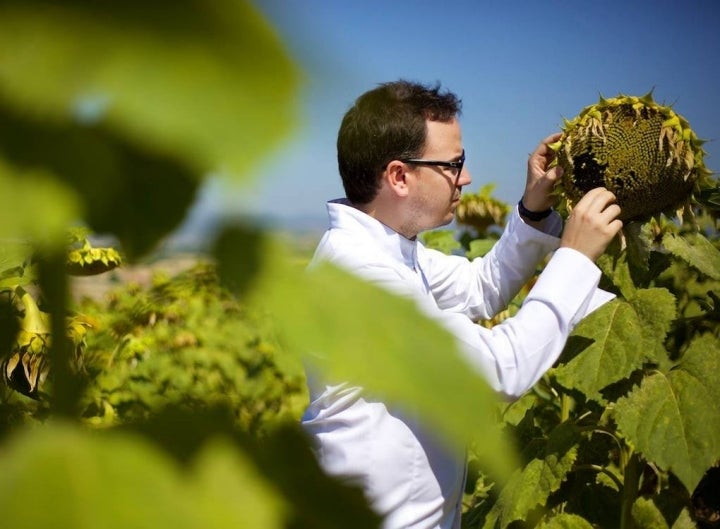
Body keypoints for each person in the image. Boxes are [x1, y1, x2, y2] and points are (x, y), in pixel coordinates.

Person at [300, 80, 623, 529]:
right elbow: (498, 370)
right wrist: (574, 256)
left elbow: (482, 286)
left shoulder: (389, 251)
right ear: (398, 176)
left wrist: (531, 210)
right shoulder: (359, 278)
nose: (465, 177)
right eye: (454, 164)